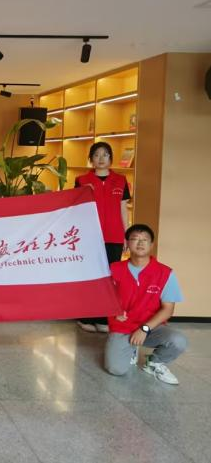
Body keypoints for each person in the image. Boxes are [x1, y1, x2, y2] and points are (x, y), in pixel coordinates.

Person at [105, 224, 187, 385]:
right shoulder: (113, 269)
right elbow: (103, 298)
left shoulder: (165, 273)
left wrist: (144, 329)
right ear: (127, 243)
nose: (140, 243)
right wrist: (113, 310)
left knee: (178, 341)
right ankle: (131, 349)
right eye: (135, 239)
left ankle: (154, 362)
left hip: (151, 327)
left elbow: (168, 310)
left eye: (145, 240)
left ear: (151, 245)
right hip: (122, 326)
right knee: (116, 369)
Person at [75, 141, 131, 333]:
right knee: (91, 277)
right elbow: (77, 209)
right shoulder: (81, 180)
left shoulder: (121, 180)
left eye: (105, 154)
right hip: (90, 236)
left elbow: (123, 209)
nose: (101, 158)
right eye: (97, 155)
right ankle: (85, 317)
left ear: (110, 158)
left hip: (114, 236)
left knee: (110, 278)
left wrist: (126, 234)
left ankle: (104, 318)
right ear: (91, 159)